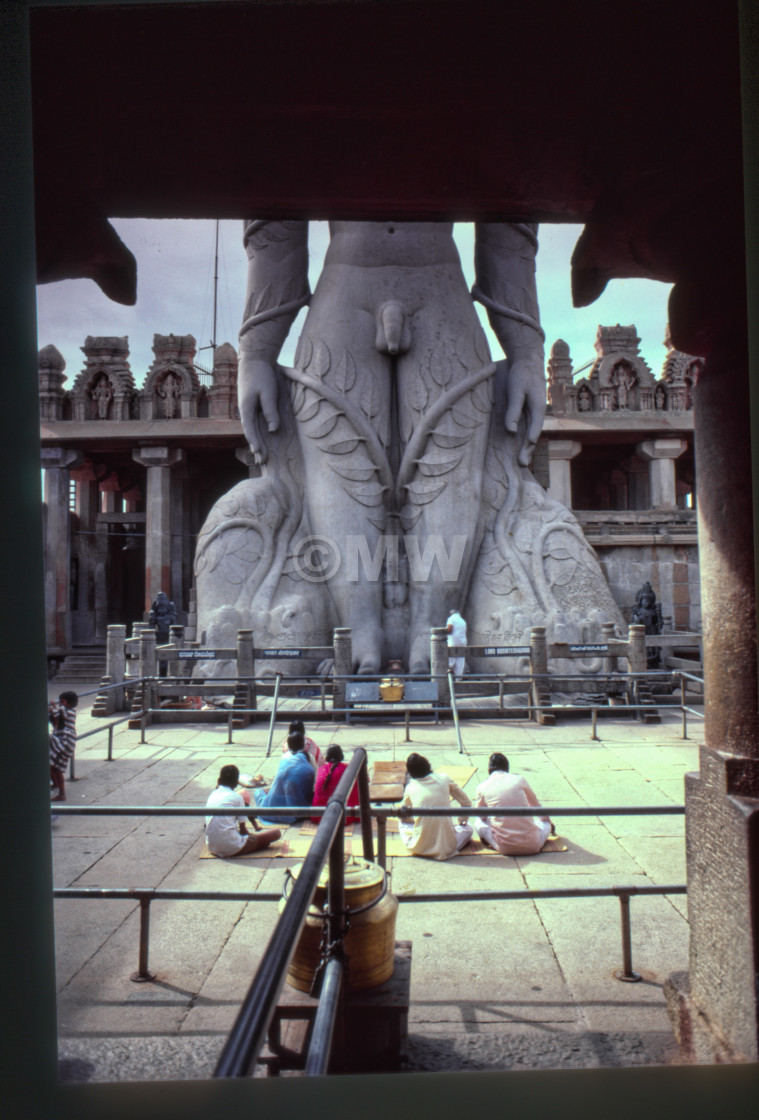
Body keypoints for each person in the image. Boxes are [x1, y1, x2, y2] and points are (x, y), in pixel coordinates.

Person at [473, 752, 553, 856]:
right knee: (545, 823)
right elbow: (536, 806)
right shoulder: (519, 779)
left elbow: (482, 816)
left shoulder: (482, 787)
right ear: (507, 768)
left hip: (504, 847)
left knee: (478, 822)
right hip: (533, 845)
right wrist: (547, 822)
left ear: (489, 770)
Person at [399, 752, 473, 860]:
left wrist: (412, 821)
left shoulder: (410, 787)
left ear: (411, 773)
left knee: (402, 824)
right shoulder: (445, 779)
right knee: (469, 829)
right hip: (447, 848)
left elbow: (402, 813)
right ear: (428, 765)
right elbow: (466, 803)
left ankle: (415, 840)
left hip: (419, 847)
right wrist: (461, 821)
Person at [205, 764, 281, 856]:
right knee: (276, 833)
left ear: (219, 781)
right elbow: (243, 831)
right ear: (236, 783)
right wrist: (252, 839)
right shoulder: (237, 797)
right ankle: (255, 844)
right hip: (233, 847)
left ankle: (255, 843)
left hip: (212, 847)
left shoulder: (212, 795)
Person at [253, 730, 316, 825]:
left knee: (258, 792)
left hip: (274, 809)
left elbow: (280, 781)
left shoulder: (285, 757)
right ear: (303, 744)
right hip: (299, 810)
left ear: (289, 745)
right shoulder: (308, 763)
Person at [311, 745, 360, 824]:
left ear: (327, 758)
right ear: (342, 757)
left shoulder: (320, 770)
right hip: (343, 817)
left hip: (319, 816)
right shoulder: (349, 770)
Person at [49, 690, 78, 803]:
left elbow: (58, 713)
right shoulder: (65, 712)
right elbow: (56, 720)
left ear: (69, 704)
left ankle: (61, 793)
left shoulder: (68, 712)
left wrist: (52, 706)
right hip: (64, 743)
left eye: (62, 702)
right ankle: (57, 787)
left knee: (54, 766)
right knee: (54, 767)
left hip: (64, 743)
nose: (60, 704)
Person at [446, 608, 467, 679]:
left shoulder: (451, 619)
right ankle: (459, 679)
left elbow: (449, 629)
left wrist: (443, 631)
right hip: (462, 642)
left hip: (453, 641)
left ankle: (449, 672)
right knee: (460, 660)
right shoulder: (463, 621)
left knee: (451, 659)